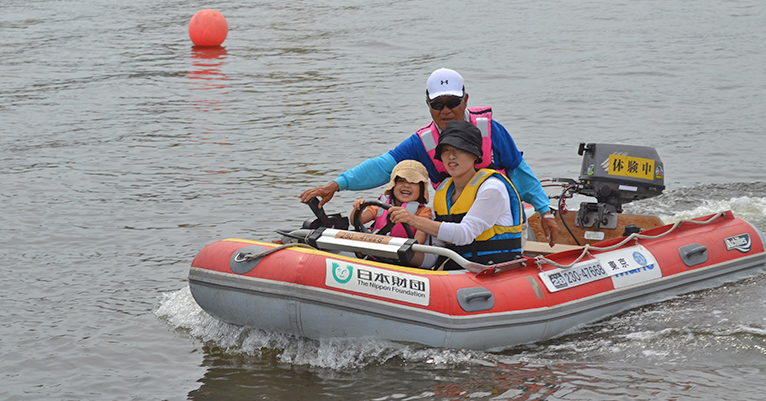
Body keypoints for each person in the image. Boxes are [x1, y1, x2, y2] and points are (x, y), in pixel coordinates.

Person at [299, 68, 558, 247]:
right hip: (452, 229)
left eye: (452, 102)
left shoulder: (491, 131)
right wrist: (337, 184)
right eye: (438, 104)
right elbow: (382, 167)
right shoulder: (423, 142)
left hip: (498, 226)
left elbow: (520, 171)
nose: (446, 110)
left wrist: (545, 212)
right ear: (428, 105)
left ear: (465, 99)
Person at [388, 121, 524, 269]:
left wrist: (413, 220)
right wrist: (395, 255)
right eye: (445, 150)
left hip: (494, 269)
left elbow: (464, 234)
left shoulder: (492, 188)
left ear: (474, 154)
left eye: (458, 149)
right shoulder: (443, 191)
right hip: (459, 271)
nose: (451, 156)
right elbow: (435, 253)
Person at [350, 160, 432, 245]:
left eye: (413, 182)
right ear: (393, 185)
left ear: (421, 189)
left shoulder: (423, 212)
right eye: (401, 181)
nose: (406, 185)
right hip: (375, 250)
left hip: (401, 255)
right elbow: (355, 221)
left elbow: (419, 241)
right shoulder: (381, 205)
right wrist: (358, 208)